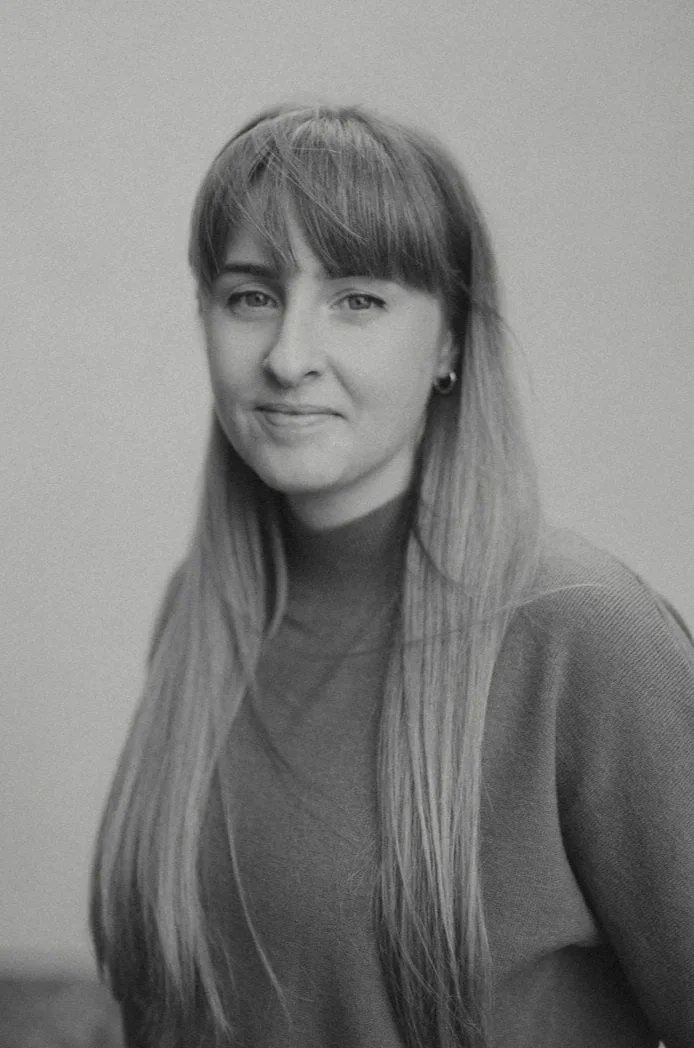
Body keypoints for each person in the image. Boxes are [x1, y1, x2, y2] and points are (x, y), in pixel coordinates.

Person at [89, 103, 694, 1048]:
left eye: (358, 299)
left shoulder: (586, 634)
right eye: (251, 295)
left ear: (450, 341)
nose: (290, 358)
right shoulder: (196, 618)